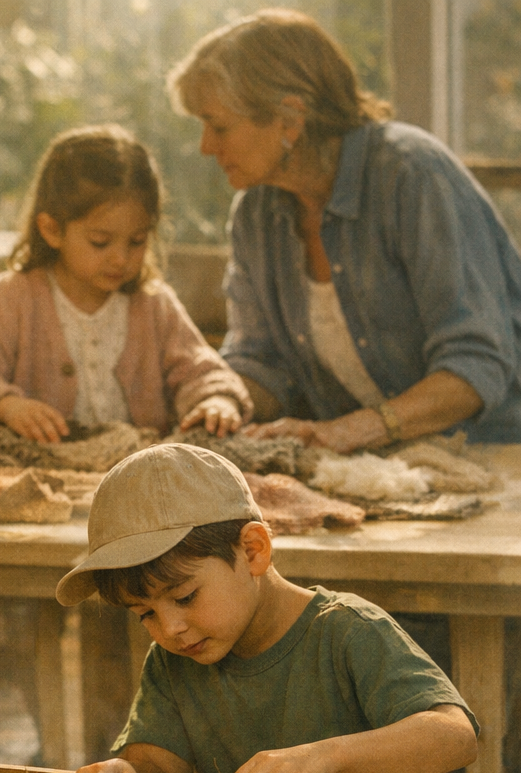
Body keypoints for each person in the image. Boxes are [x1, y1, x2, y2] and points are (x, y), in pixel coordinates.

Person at [57, 443, 478, 773]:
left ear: (254, 550)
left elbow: (455, 737)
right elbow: (156, 764)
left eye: (185, 597)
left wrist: (325, 756)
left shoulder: (348, 631)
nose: (170, 629)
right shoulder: (174, 659)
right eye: (145, 613)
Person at [168, 9, 521, 450]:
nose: (205, 146)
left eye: (218, 125)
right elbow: (260, 361)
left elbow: (477, 364)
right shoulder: (255, 214)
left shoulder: (412, 174)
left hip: (495, 454)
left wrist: (352, 430)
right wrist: (222, 399)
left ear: (290, 119)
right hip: (383, 468)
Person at [0, 124, 253, 442]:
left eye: (137, 241)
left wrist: (216, 400)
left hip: (134, 476)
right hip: (40, 472)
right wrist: (6, 406)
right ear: (51, 229)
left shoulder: (154, 304)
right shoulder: (14, 297)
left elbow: (200, 371)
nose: (120, 258)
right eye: (100, 242)